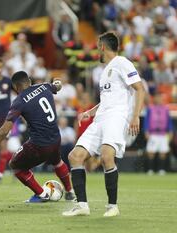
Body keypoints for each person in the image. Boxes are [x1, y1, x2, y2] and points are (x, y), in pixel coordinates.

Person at [62, 32, 145, 217]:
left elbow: (140, 89)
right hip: (100, 118)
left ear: (102, 46)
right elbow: (107, 99)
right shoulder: (104, 72)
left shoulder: (122, 63)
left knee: (107, 155)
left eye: (98, 45)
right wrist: (89, 112)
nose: (96, 49)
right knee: (75, 156)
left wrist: (135, 116)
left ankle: (112, 206)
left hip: (117, 116)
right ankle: (82, 206)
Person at [0, 71, 75, 203]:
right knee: (57, 162)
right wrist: (57, 82)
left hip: (39, 144)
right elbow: (57, 86)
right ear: (29, 81)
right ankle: (70, 192)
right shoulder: (44, 86)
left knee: (15, 165)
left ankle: (42, 194)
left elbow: (4, 130)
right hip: (55, 138)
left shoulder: (19, 101)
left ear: (15, 87)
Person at [144, 92, 173, 175]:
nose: (159, 99)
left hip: (163, 134)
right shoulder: (150, 108)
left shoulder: (166, 109)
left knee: (163, 152)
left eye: (160, 98)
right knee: (150, 152)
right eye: (157, 97)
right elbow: (146, 121)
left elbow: (169, 121)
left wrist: (170, 131)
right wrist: (146, 131)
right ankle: (150, 170)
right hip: (153, 133)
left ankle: (161, 170)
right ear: (154, 98)